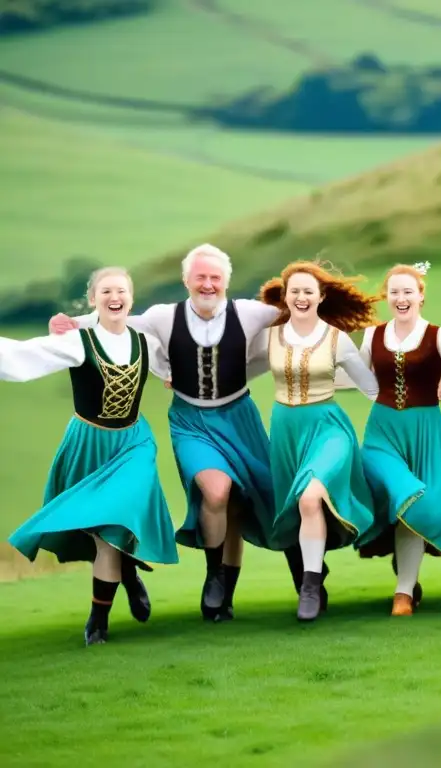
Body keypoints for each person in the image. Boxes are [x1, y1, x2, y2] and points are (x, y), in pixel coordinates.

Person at [48, 244, 312, 623]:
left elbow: (299, 314)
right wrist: (73, 325)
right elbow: (118, 322)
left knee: (259, 499)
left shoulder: (252, 313)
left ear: (226, 282)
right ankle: (214, 575)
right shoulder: (163, 316)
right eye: (200, 277)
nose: (208, 284)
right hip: (191, 421)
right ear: (187, 280)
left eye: (215, 278)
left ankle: (297, 584)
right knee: (216, 491)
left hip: (240, 417)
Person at [2, 267, 178, 645]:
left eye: (121, 291)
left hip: (133, 445)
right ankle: (128, 575)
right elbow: (22, 356)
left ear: (131, 298)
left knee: (115, 523)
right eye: (106, 291)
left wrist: (175, 375)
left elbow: (176, 362)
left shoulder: (146, 339)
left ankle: (97, 621)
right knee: (101, 532)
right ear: (94, 299)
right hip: (89, 443)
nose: (115, 297)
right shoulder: (78, 342)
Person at [356, 263, 441, 617]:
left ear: (420, 295)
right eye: (394, 292)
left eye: (407, 291)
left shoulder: (438, 336)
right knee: (407, 496)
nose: (401, 298)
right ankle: (404, 587)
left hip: (427, 433)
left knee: (414, 508)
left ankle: (404, 589)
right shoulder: (372, 336)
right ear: (387, 297)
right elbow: (353, 376)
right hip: (382, 433)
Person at [257, 260, 381, 621]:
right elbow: (239, 372)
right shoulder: (269, 338)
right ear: (285, 296)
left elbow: (369, 386)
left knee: (311, 497)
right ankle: (308, 578)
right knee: (292, 509)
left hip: (328, 428)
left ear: (320, 296)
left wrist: (417, 389)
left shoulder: (336, 339)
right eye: (294, 291)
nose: (300, 297)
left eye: (308, 291)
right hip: (284, 431)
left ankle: (310, 586)